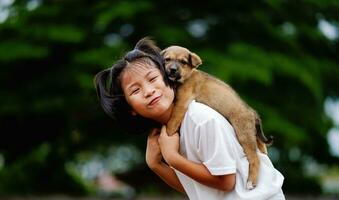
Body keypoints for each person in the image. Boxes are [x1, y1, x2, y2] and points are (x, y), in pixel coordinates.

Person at [94, 38, 285, 199]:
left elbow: (226, 182)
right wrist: (156, 165)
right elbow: (197, 189)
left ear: (168, 78)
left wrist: (173, 158)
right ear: (130, 109)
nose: (148, 91)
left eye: (152, 79)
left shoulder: (200, 119)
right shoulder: (168, 133)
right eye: (135, 90)